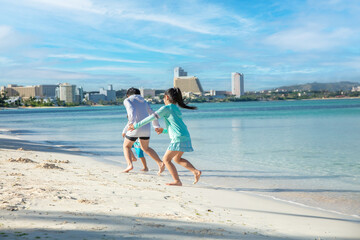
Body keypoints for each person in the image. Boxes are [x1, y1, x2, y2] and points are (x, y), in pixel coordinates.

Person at [129, 87, 201, 186]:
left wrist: (135, 126)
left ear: (166, 97)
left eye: (163, 98)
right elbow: (177, 127)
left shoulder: (166, 108)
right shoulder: (176, 109)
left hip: (178, 138)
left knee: (166, 160)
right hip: (185, 136)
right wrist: (164, 130)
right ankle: (195, 171)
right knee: (177, 159)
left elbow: (151, 118)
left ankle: (177, 181)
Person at [122, 87, 165, 174]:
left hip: (135, 126)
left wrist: (131, 123)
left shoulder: (127, 100)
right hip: (146, 128)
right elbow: (152, 113)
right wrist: (156, 126)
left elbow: (131, 110)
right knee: (145, 148)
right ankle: (160, 163)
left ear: (128, 95)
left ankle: (129, 165)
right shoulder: (144, 101)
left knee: (126, 146)